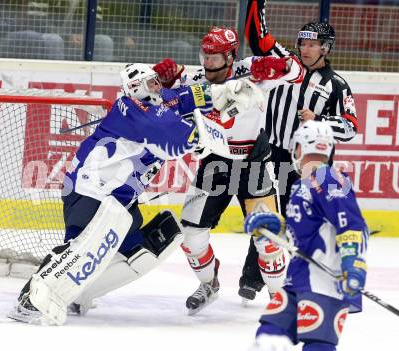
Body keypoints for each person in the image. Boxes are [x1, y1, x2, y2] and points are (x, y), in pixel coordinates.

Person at [7, 63, 241, 325]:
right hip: (90, 193)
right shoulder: (134, 112)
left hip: (118, 200)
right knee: (78, 250)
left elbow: (187, 98)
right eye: (151, 83)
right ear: (135, 88)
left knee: (141, 254)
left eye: (156, 81)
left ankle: (77, 293)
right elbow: (177, 141)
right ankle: (28, 300)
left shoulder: (154, 101)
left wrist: (231, 91)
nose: (158, 86)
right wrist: (216, 124)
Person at [153, 26, 305, 313]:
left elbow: (297, 71)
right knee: (191, 235)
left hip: (253, 164)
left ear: (231, 56)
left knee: (267, 237)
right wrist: (166, 78)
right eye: (204, 56)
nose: (207, 63)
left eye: (214, 57)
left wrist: (276, 64)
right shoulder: (196, 78)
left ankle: (280, 298)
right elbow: (166, 91)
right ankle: (209, 285)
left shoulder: (251, 70)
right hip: (215, 164)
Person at [240, 0, 360, 302]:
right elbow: (258, 37)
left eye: (312, 44)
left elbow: (350, 127)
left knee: (301, 223)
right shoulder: (286, 64)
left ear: (326, 48)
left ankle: (298, 282)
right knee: (267, 215)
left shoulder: (336, 86)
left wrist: (318, 120)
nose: (304, 49)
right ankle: (252, 279)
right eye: (302, 42)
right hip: (272, 155)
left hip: (311, 164)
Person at [244, 120, 368, 351]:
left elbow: (352, 225)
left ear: (298, 147)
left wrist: (354, 263)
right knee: (269, 337)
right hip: (297, 279)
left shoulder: (331, 179)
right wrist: (276, 226)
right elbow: (303, 232)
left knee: (317, 345)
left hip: (327, 283)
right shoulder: (303, 185)